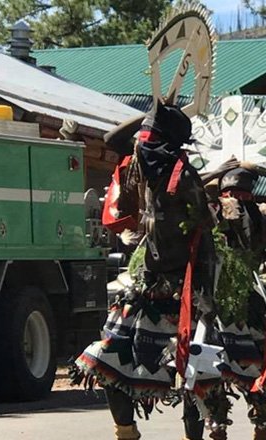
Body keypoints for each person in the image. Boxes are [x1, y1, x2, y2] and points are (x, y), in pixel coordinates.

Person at [71, 103, 218, 440]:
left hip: (187, 288)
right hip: (145, 285)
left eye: (149, 140)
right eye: (142, 141)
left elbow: (204, 228)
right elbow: (116, 149)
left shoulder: (182, 175)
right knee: (107, 357)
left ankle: (195, 434)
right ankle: (126, 432)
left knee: (195, 368)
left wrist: (205, 291)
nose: (142, 146)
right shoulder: (138, 168)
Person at [206, 163, 266, 440]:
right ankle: (216, 429)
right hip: (213, 308)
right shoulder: (212, 218)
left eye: (240, 195)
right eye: (229, 195)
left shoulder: (261, 225)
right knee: (210, 380)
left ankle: (262, 430)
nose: (234, 202)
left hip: (251, 307)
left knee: (262, 380)